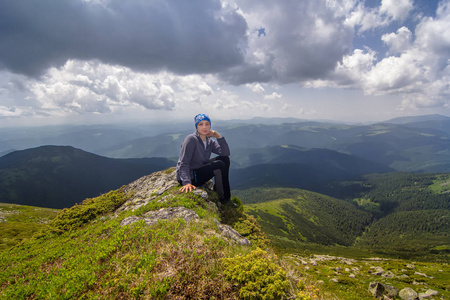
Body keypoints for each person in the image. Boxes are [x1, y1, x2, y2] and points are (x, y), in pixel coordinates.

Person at [176, 114, 234, 207]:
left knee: (224, 159)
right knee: (219, 165)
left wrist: (218, 137)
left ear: (210, 126)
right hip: (191, 176)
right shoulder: (191, 139)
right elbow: (184, 162)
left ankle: (219, 189)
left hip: (200, 169)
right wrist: (186, 182)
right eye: (201, 124)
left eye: (207, 124)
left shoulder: (209, 140)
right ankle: (225, 199)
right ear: (196, 126)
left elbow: (225, 153)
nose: (204, 127)